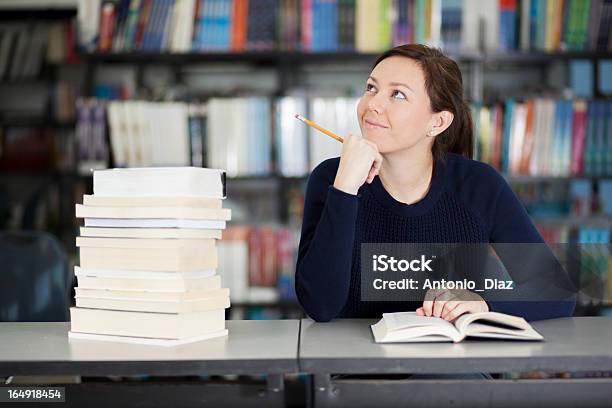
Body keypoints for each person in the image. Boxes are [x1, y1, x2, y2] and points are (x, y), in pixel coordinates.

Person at [295, 44, 576, 323]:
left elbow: (556, 291)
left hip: (458, 362)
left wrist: (483, 303)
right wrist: (345, 189)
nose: (373, 104)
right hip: (362, 365)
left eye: (397, 94)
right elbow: (320, 305)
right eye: (371, 88)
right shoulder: (331, 179)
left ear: (438, 122)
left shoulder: (480, 185)